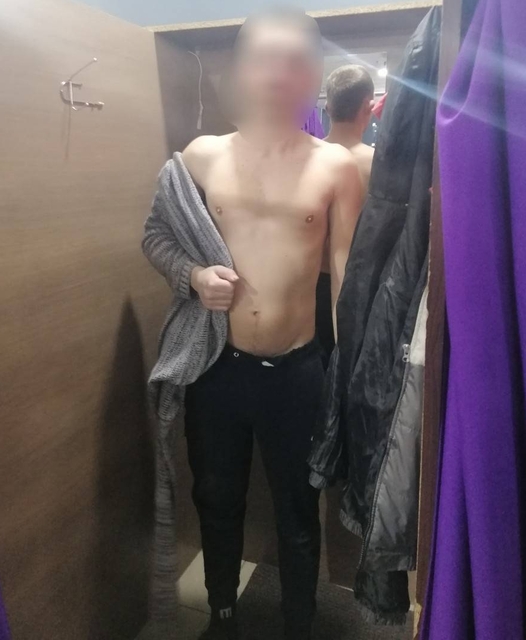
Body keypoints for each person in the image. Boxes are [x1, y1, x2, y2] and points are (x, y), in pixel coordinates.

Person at [176, 9, 361, 640]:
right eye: (265, 59)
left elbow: (345, 278)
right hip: (217, 370)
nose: (279, 74)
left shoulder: (336, 167)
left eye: (295, 61)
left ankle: (298, 625)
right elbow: (160, 239)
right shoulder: (201, 156)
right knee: (217, 498)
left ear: (311, 73)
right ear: (242, 69)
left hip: (298, 373)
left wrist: (346, 379)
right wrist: (193, 276)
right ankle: (222, 615)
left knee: (298, 511)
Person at [315, 65, 376, 367]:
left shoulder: (307, 159)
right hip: (361, 284)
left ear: (327, 108)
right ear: (368, 106)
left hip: (310, 285)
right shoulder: (377, 164)